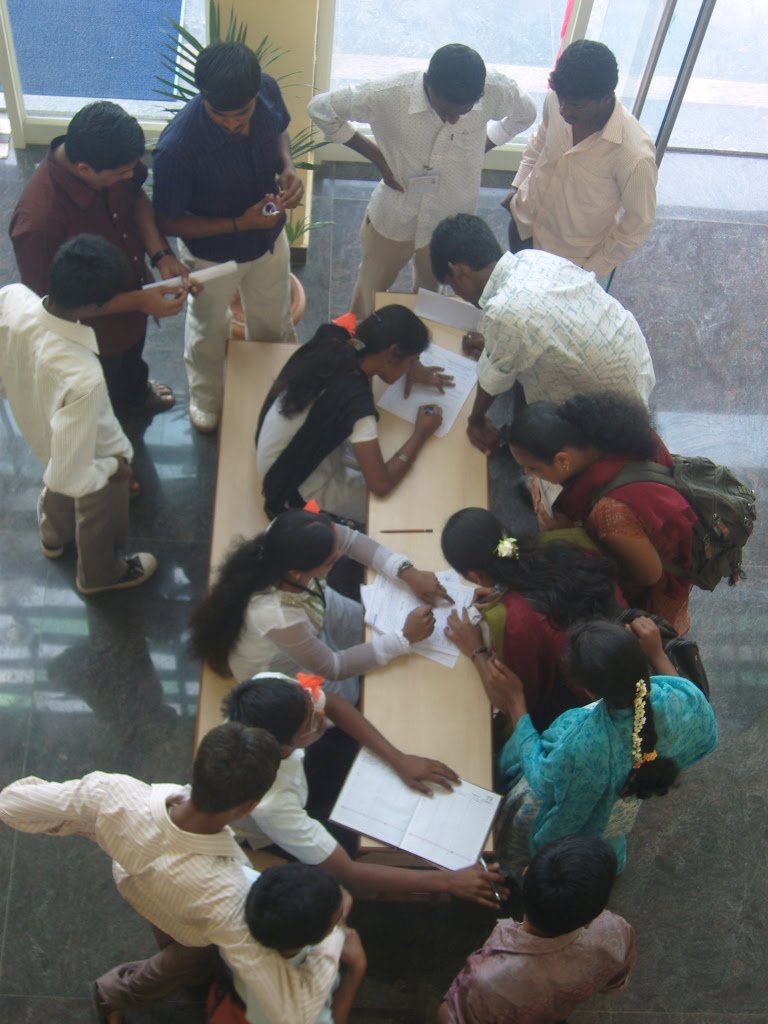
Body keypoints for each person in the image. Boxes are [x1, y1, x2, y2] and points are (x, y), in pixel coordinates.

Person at [0, 723, 347, 1024]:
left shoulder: (112, 793)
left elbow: (11, 803)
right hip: (191, 926)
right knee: (182, 962)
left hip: (137, 884)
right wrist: (333, 940)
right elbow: (293, 1011)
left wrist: (87, 824)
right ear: (248, 807)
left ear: (198, 765)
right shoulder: (227, 901)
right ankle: (111, 994)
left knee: (176, 942)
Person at [224, 674, 505, 906]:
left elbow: (332, 704)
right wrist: (449, 881)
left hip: (302, 771)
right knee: (361, 845)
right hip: (287, 820)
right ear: (286, 747)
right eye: (310, 722)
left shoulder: (269, 689)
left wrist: (399, 759)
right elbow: (347, 870)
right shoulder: (273, 806)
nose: (320, 714)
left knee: (362, 758)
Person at [308, 43, 536, 319]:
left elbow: (526, 113)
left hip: (450, 210)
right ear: (427, 82)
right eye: (445, 112)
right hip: (396, 209)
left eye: (462, 113)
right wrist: (378, 158)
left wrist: (484, 144)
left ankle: (424, 333)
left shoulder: (496, 89)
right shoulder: (386, 94)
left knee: (431, 293)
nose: (453, 120)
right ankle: (360, 330)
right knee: (371, 285)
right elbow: (321, 109)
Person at [152, 40, 302, 433]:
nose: (234, 124)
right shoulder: (176, 150)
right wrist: (239, 224)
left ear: (255, 95)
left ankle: (273, 384)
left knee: (273, 317)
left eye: (243, 114)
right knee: (208, 330)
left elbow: (280, 133)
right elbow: (168, 221)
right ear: (203, 97)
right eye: (221, 116)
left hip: (268, 239)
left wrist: (288, 167)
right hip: (211, 255)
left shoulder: (267, 90)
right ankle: (206, 397)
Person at [490, 617, 717, 876]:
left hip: (573, 816)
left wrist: (516, 705)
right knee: (605, 834)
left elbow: (542, 776)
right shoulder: (677, 700)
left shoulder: (584, 741)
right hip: (621, 807)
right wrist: (657, 655)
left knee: (549, 853)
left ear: (586, 690)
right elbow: (699, 716)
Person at [0, 234, 157, 593]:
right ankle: (101, 575)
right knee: (96, 505)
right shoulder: (83, 377)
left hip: (37, 425)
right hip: (92, 455)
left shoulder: (13, 296)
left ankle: (54, 536)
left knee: (55, 473)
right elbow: (74, 474)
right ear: (94, 305)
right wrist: (114, 468)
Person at [9, 100, 187, 413]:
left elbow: (135, 197)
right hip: (90, 335)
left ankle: (135, 394)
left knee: (130, 365)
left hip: (132, 307)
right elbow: (52, 306)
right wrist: (139, 300)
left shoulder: (112, 161)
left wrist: (160, 255)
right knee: (99, 397)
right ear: (84, 169)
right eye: (122, 173)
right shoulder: (39, 223)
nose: (131, 175)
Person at [429, 214, 655, 454]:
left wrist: (475, 421)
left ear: (458, 271)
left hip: (610, 416)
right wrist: (494, 342)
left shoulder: (505, 310)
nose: (459, 294)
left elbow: (492, 381)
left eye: (452, 286)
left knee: (532, 437)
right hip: (635, 370)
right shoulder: (533, 258)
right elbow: (545, 322)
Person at [189, 508, 451, 704]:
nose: (340, 555)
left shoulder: (291, 532)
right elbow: (333, 667)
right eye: (331, 561)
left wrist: (407, 572)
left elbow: (350, 540)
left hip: (314, 602)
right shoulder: (275, 615)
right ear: (297, 573)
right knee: (349, 695)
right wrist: (403, 638)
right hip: (287, 666)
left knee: (367, 626)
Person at [507, 391, 699, 634]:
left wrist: (570, 535)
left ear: (563, 460)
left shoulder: (608, 512)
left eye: (533, 468)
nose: (528, 475)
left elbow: (650, 575)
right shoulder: (613, 436)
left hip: (654, 599)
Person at [440, 507, 623, 730]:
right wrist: (502, 592)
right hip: (619, 648)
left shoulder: (516, 622)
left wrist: (475, 649)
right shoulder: (562, 542)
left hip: (590, 705)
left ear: (475, 576)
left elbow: (512, 700)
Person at [256, 305, 443, 522]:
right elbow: (380, 484)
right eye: (411, 361)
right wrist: (421, 433)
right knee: (387, 506)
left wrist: (412, 365)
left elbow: (363, 328)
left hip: (279, 442)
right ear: (392, 354)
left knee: (373, 458)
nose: (410, 368)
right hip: (286, 477)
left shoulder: (334, 337)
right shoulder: (357, 406)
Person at [438, 835, 637, 1024]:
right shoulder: (615, 932)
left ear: (526, 873)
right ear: (590, 919)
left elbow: (451, 1016)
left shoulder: (485, 980)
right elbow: (614, 982)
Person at [502, 40, 658, 279]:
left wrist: (589, 272)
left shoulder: (634, 155)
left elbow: (638, 224)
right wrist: (517, 186)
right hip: (523, 226)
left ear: (605, 98)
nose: (563, 110)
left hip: (569, 262)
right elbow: (541, 140)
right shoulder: (556, 99)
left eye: (576, 105)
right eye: (561, 98)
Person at [241, 865, 365, 1024]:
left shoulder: (253, 908)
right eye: (339, 916)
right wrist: (357, 969)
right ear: (322, 936)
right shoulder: (299, 1002)